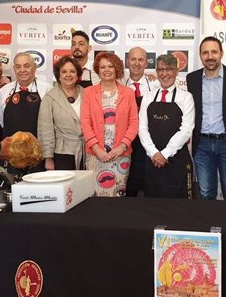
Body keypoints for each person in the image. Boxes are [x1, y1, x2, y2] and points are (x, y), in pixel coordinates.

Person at [186, 36, 226, 260]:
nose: (210, 56)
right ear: (200, 55)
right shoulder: (192, 79)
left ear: (221, 53)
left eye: (214, 52)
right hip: (202, 144)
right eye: (205, 52)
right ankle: (209, 243)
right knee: (206, 195)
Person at [80, 52, 139, 197]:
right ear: (98, 70)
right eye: (102, 67)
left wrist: (122, 147)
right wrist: (97, 149)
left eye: (110, 66)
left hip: (121, 155)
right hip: (95, 155)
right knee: (95, 196)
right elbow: (85, 122)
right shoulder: (88, 92)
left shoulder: (129, 93)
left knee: (117, 195)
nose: (106, 70)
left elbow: (134, 123)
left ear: (116, 68)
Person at [138, 54, 194, 198]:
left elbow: (186, 130)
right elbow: (142, 128)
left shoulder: (186, 97)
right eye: (160, 69)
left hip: (176, 160)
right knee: (152, 204)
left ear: (176, 71)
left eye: (169, 69)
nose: (164, 74)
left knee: (177, 205)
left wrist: (165, 154)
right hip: (152, 160)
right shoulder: (148, 97)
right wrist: (154, 153)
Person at [0, 52, 49, 174]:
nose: (22, 70)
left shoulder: (46, 89)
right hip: (11, 154)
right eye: (18, 66)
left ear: (34, 67)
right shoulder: (5, 90)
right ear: (14, 68)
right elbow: (1, 119)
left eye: (26, 66)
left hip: (37, 154)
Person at [38, 56, 85, 170]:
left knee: (83, 186)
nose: (68, 75)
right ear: (58, 75)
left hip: (86, 151)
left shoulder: (86, 93)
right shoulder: (50, 97)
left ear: (78, 74)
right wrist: (48, 158)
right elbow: (45, 129)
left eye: (72, 71)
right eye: (64, 71)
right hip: (61, 153)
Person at [124, 46, 160, 197]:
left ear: (146, 63)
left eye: (141, 60)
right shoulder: (119, 86)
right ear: (127, 62)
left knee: (150, 185)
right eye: (133, 59)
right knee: (129, 184)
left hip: (150, 142)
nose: (137, 63)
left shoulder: (157, 85)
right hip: (127, 143)